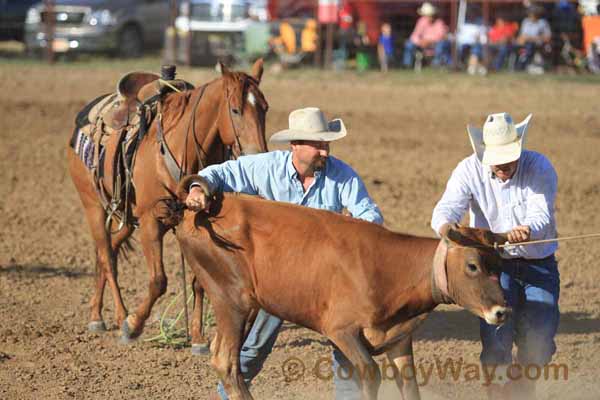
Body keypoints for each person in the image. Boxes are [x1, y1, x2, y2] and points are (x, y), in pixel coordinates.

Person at [186, 107, 383, 400]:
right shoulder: (269, 167)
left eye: (326, 145)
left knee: (346, 341)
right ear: (296, 146)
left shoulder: (342, 175)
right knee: (256, 343)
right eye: (318, 145)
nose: (325, 153)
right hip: (281, 276)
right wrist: (198, 188)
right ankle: (225, 395)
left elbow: (371, 216)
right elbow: (221, 172)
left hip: (327, 278)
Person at [431, 112, 560, 400]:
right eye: (497, 159)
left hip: (538, 264)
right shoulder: (468, 170)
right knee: (496, 339)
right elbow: (444, 211)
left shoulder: (539, 166)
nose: (503, 165)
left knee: (540, 340)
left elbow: (540, 213)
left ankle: (523, 387)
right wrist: (446, 229)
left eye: (509, 158)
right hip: (495, 266)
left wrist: (526, 231)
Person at [402, 2, 451, 68]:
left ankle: (435, 64)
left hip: (434, 43)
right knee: (409, 44)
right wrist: (420, 42)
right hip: (422, 43)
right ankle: (407, 64)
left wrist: (428, 41)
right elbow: (414, 35)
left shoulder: (439, 23)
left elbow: (441, 36)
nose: (429, 17)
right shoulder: (421, 21)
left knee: (440, 45)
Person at [515, 5, 552, 71]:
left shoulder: (543, 23)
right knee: (518, 46)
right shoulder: (526, 21)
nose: (531, 15)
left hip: (538, 44)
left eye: (533, 13)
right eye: (530, 13)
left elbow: (547, 38)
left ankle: (523, 65)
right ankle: (519, 65)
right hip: (525, 43)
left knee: (529, 46)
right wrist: (522, 39)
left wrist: (532, 38)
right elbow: (522, 36)